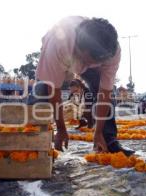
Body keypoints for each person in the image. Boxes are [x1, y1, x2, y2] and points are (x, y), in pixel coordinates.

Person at [29, 16, 135, 155]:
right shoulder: (59, 42)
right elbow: (54, 92)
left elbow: (105, 94)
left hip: (87, 58)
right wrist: (61, 129)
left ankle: (108, 140)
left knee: (105, 93)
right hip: (61, 56)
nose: (82, 68)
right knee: (42, 92)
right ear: (78, 47)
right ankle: (29, 138)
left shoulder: (112, 52)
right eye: (84, 60)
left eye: (90, 62)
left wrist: (97, 133)